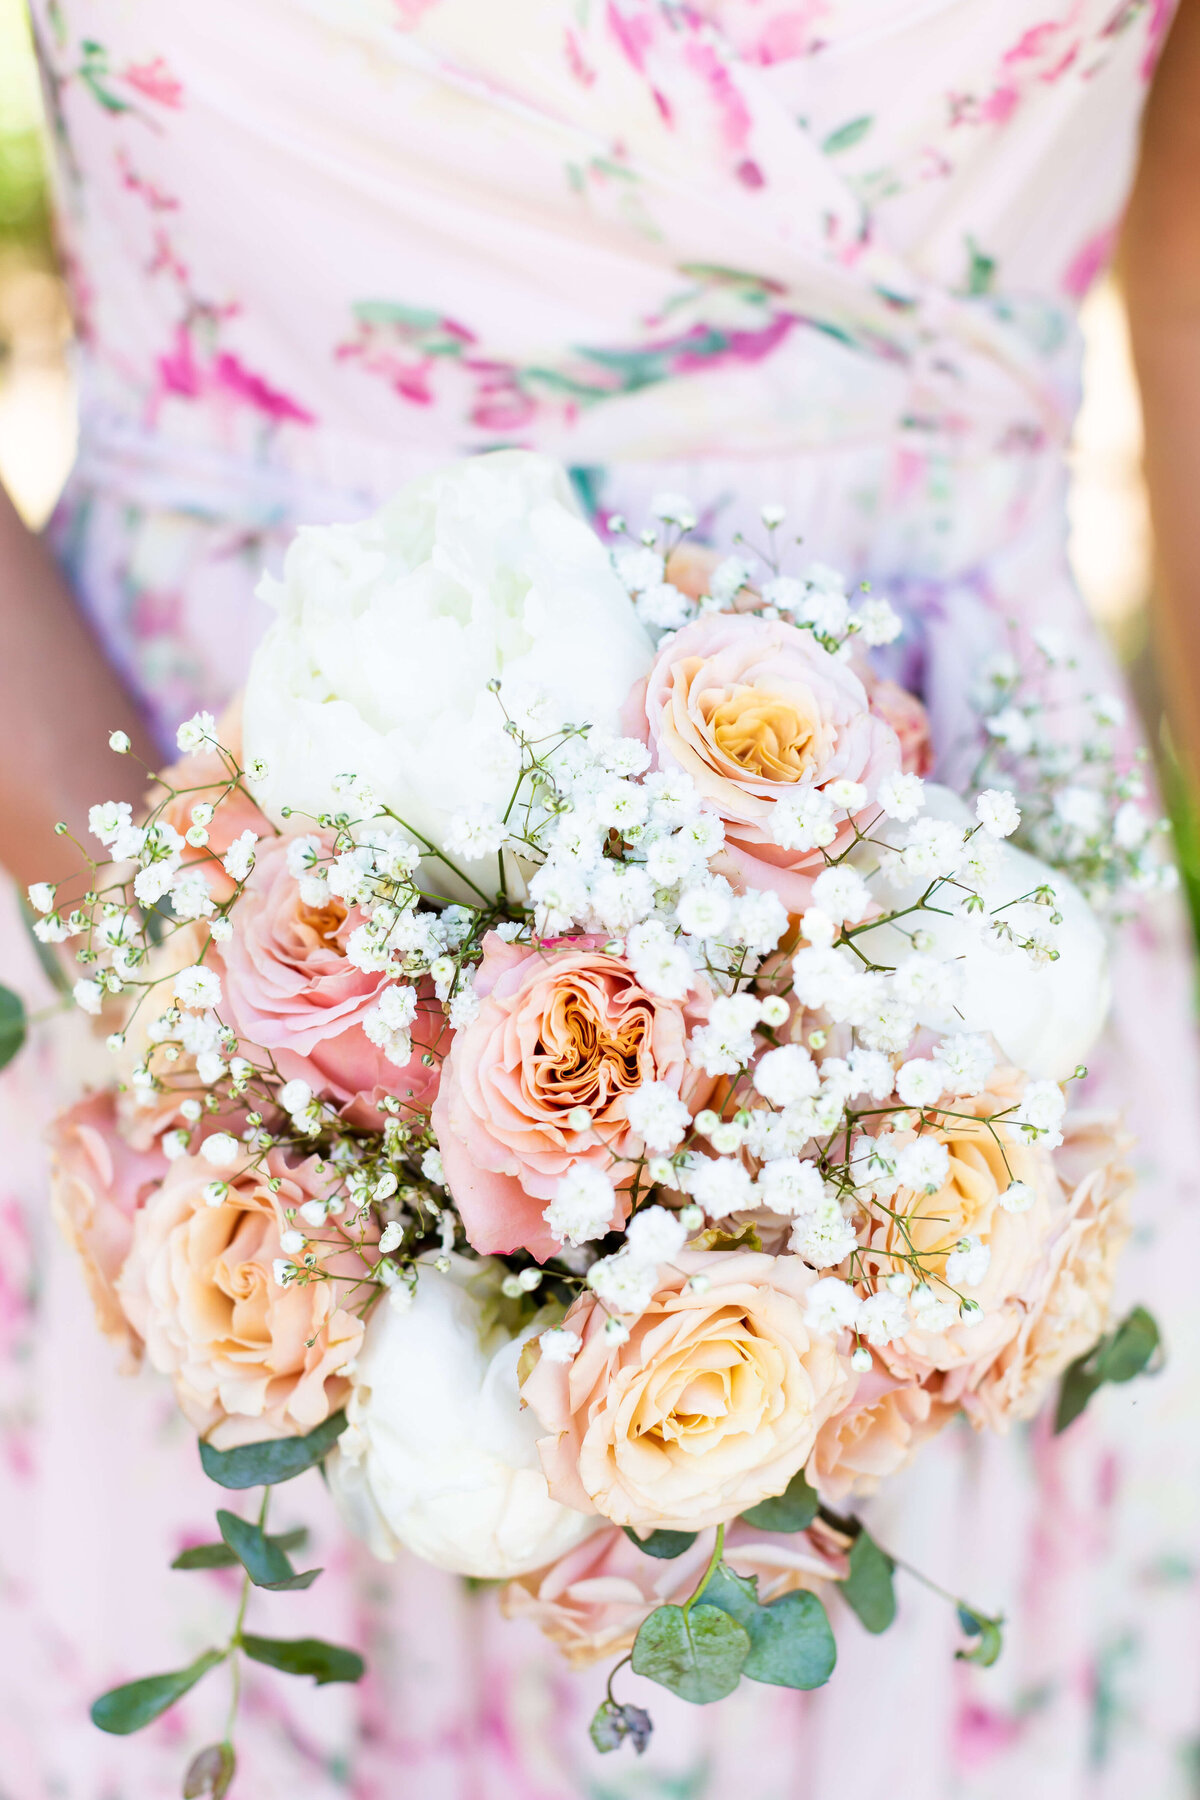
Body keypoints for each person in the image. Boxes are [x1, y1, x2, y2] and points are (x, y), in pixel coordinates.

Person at [3, 3, 1200, 1795]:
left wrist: (840, 1112)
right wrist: (236, 1010)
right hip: (161, 861)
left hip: (965, 979)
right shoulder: (199, 991)